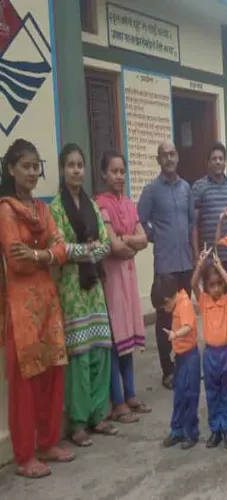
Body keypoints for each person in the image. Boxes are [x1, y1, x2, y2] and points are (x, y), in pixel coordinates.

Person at [0, 139, 75, 478]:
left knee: (52, 373)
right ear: (11, 168)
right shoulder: (5, 210)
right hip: (20, 306)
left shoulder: (43, 211)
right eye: (26, 166)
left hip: (47, 302)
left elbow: (62, 247)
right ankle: (24, 455)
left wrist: (41, 255)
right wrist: (45, 254)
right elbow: (16, 261)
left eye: (35, 166)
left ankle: (47, 442)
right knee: (25, 382)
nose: (32, 172)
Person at [50, 143, 116, 447]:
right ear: (63, 170)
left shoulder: (90, 203)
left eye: (80, 165)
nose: (76, 170)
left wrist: (87, 251)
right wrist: (85, 251)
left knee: (100, 350)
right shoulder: (56, 207)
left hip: (94, 290)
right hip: (73, 290)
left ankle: (98, 414)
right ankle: (77, 422)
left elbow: (105, 243)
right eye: (71, 165)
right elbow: (60, 247)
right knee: (79, 355)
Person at [94, 151, 150, 425]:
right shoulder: (101, 205)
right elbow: (111, 245)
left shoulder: (129, 205)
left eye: (121, 171)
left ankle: (130, 394)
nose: (118, 176)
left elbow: (144, 238)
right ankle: (117, 402)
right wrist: (128, 244)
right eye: (113, 171)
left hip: (127, 276)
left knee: (127, 334)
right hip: (112, 278)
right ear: (104, 174)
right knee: (117, 339)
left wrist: (125, 239)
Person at [137, 141, 195, 390]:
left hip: (185, 263)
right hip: (165, 265)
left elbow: (191, 222)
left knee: (185, 316)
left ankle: (184, 365)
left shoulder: (186, 188)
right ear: (159, 160)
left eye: (173, 153)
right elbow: (139, 222)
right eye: (164, 155)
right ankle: (168, 370)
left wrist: (195, 256)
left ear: (177, 157)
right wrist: (156, 236)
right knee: (165, 318)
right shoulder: (151, 191)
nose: (169, 158)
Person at [191, 247, 227, 450]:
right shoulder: (203, 301)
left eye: (219, 284)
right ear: (206, 287)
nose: (217, 289)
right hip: (210, 354)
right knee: (212, 393)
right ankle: (215, 430)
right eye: (212, 285)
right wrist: (201, 264)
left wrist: (220, 267)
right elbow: (193, 284)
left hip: (226, 353)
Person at [156, 275, 201, 450]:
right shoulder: (177, 303)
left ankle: (191, 432)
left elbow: (188, 326)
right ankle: (177, 431)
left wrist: (175, 335)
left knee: (190, 395)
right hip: (181, 357)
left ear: (167, 300)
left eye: (163, 306)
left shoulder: (184, 303)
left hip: (190, 357)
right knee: (179, 394)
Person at [192, 142, 227, 272]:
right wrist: (196, 255)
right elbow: (193, 224)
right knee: (212, 292)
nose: (218, 162)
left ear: (225, 162)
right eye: (214, 159)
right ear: (208, 163)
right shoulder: (199, 187)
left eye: (221, 158)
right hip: (209, 256)